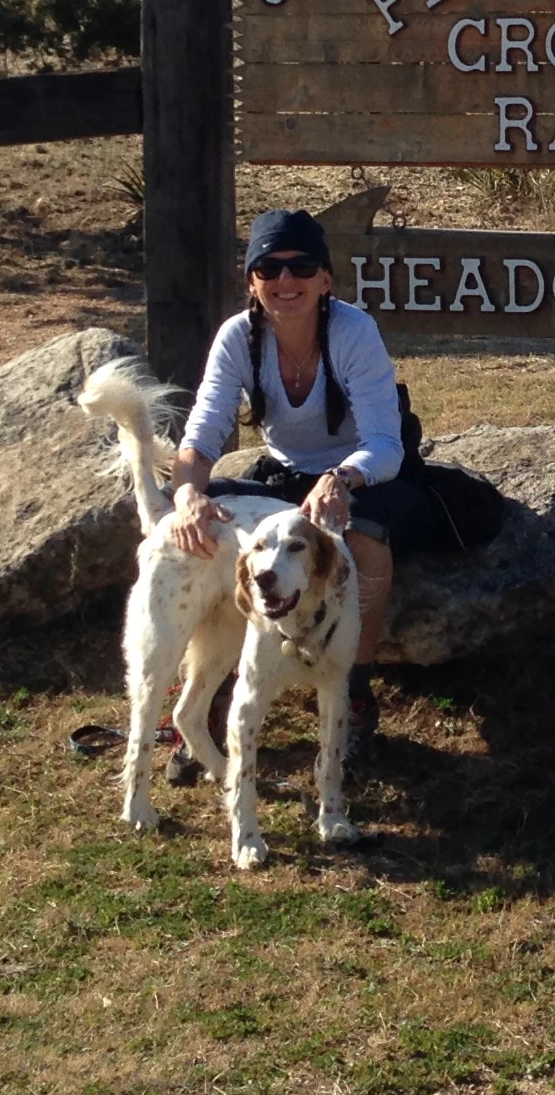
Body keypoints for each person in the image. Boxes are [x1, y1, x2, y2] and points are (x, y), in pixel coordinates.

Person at [162, 208, 418, 763]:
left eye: (301, 267)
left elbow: (385, 442)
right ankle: (208, 693)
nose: (286, 280)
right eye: (269, 268)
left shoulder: (354, 331)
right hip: (284, 476)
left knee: (363, 534)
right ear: (251, 282)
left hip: (364, 472)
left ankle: (354, 694)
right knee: (211, 526)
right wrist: (187, 496)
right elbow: (202, 434)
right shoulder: (237, 337)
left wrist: (340, 478)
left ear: (325, 279)